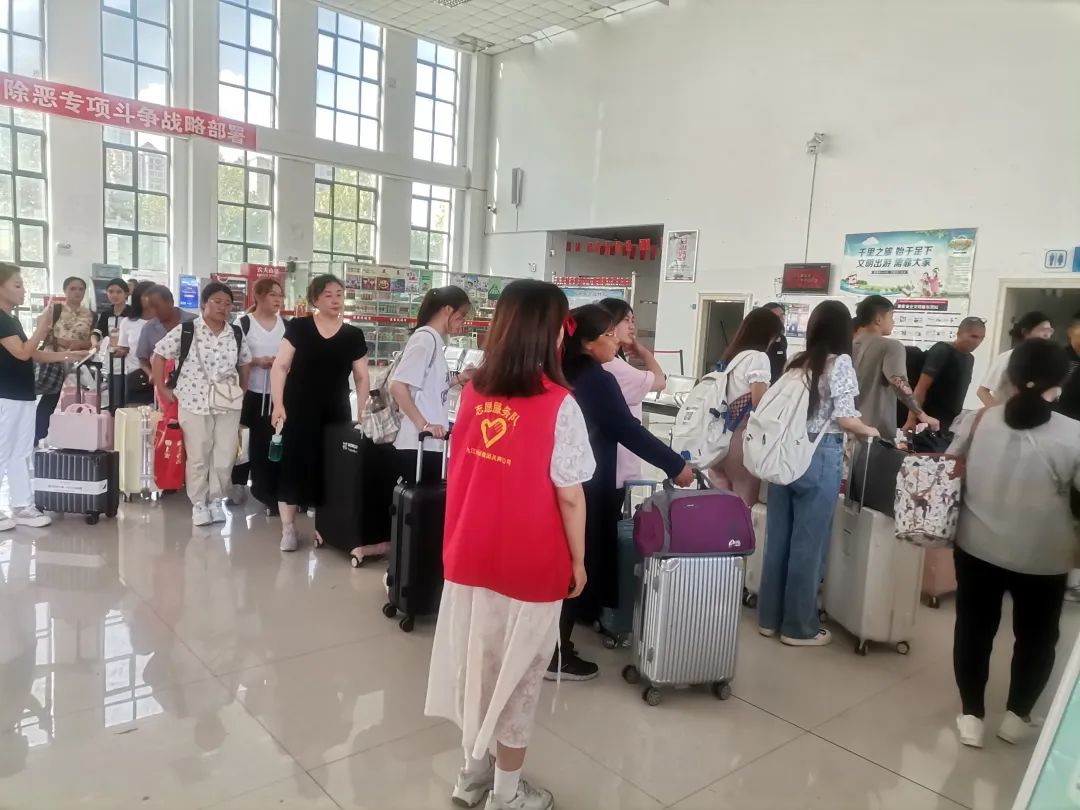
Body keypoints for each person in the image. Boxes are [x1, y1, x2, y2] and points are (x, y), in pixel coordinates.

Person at [425, 279, 594, 810]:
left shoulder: (473, 391)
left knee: (475, 668)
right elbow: (570, 497)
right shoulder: (559, 404)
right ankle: (506, 794)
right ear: (551, 333)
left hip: (469, 554)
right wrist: (579, 560)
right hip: (531, 564)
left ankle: (470, 776)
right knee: (518, 681)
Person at [950, 339, 1080, 748]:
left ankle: (971, 716)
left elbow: (952, 469)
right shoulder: (1074, 434)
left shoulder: (977, 420)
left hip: (976, 546)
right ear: (1059, 382)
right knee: (1038, 638)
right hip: (1044, 557)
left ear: (1009, 374)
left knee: (973, 630)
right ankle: (1016, 716)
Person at [556, 304, 694, 680]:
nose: (616, 340)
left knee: (563, 558)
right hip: (589, 485)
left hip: (561, 481)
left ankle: (555, 640)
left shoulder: (560, 371)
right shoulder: (596, 379)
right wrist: (675, 465)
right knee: (578, 559)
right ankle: (556, 652)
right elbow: (627, 429)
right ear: (588, 343)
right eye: (609, 334)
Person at [757, 300, 880, 646]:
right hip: (819, 455)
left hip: (784, 455)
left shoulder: (797, 361)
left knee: (778, 540)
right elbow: (845, 418)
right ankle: (798, 627)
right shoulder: (840, 363)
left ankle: (769, 619)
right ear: (845, 331)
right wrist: (870, 430)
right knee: (808, 545)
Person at [270, 275, 369, 553]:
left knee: (332, 468)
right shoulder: (299, 328)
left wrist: (363, 412)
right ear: (315, 299)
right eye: (328, 294)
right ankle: (288, 528)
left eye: (339, 294)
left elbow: (362, 377)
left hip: (336, 412)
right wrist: (278, 404)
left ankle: (325, 527)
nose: (336, 300)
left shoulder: (353, 335)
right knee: (293, 465)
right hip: (298, 408)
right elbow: (280, 366)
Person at [151, 282, 252, 528]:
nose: (223, 307)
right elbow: (159, 354)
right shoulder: (187, 330)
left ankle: (216, 500)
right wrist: (162, 388)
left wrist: (242, 388)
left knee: (225, 454)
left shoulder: (235, 333)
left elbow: (245, 361)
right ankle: (198, 503)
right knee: (198, 454)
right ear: (204, 303)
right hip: (193, 400)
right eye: (217, 301)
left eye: (227, 303)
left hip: (227, 402)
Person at [0, 263, 91, 530]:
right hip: (6, 394)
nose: (23, 290)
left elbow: (33, 353)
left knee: (21, 451)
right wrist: (43, 327)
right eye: (17, 285)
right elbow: (21, 353)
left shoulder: (11, 319)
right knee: (3, 449)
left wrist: (67, 355)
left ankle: (22, 506)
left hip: (23, 394)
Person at [389, 285, 474, 486]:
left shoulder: (433, 341)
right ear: (447, 309)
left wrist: (459, 378)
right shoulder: (424, 340)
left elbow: (429, 385)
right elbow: (397, 386)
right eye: (461, 315)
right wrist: (424, 425)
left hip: (428, 442)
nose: (463, 322)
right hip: (417, 443)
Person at [706, 307, 783, 505]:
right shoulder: (759, 358)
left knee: (719, 506)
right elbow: (759, 402)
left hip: (716, 440)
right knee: (742, 506)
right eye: (775, 337)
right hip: (741, 439)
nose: (775, 342)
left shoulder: (731, 356)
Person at [596, 297, 667, 489]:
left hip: (613, 463)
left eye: (633, 320)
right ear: (609, 324)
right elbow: (660, 382)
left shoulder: (613, 361)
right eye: (626, 320)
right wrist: (645, 353)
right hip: (616, 466)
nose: (632, 326)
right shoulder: (612, 365)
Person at [230, 277, 286, 512]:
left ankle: (266, 490)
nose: (278, 300)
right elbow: (231, 356)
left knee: (268, 441)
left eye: (280, 295)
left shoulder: (286, 326)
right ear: (259, 296)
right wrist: (255, 361)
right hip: (249, 393)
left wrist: (279, 364)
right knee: (243, 438)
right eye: (273, 295)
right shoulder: (243, 323)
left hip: (275, 395)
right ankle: (238, 483)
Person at [851, 294, 939, 438]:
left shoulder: (846, 347)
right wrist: (921, 414)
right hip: (875, 432)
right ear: (878, 319)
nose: (893, 322)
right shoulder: (891, 346)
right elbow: (898, 382)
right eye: (891, 316)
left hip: (846, 430)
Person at [33, 275, 95, 442]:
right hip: (54, 360)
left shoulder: (90, 314)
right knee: (50, 398)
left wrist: (80, 344)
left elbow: (93, 339)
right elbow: (40, 332)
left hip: (77, 363)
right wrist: (59, 341)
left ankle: (74, 437)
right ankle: (37, 435)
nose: (77, 292)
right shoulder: (55, 309)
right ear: (65, 290)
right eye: (72, 288)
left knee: (75, 399)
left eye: (81, 289)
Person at [903, 317, 987, 435]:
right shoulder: (942, 351)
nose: (977, 342)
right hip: (928, 422)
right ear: (959, 334)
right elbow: (921, 388)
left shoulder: (969, 359)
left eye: (981, 338)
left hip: (949, 424)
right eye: (973, 336)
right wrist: (911, 419)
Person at [977, 311, 1055, 406]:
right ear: (1025, 332)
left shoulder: (1049, 361)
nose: (1047, 335)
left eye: (1050, 331)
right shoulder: (1007, 357)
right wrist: (998, 412)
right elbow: (982, 391)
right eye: (1042, 330)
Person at [136, 285, 197, 379]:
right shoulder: (148, 328)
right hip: (162, 381)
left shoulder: (194, 322)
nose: (153, 312)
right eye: (149, 308)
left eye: (156, 307)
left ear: (171, 302)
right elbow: (142, 358)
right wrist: (151, 374)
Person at [90, 277, 131, 408]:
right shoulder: (106, 314)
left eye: (119, 292)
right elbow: (97, 332)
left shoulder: (132, 313)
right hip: (112, 360)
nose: (114, 295)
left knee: (128, 398)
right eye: (111, 291)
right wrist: (94, 343)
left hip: (130, 360)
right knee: (115, 397)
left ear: (126, 294)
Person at [116, 281, 156, 406]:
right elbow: (124, 347)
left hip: (163, 375)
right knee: (135, 414)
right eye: (146, 295)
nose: (150, 299)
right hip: (137, 374)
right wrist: (118, 351)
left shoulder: (164, 321)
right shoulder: (128, 322)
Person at [762, 302, 789, 383]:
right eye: (776, 317)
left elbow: (782, 362)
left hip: (779, 384)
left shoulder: (783, 339)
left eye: (782, 316)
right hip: (763, 383)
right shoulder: (760, 339)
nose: (781, 320)